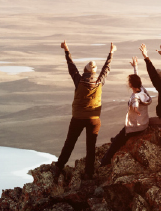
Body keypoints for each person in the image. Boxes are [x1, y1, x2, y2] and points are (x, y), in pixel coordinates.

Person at [52, 40, 114, 181]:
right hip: (94, 120)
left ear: (85, 71)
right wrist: (111, 53)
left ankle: (59, 167)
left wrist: (66, 49)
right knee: (90, 147)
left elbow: (71, 66)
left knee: (70, 143)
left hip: (78, 118)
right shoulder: (99, 82)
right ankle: (89, 173)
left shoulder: (79, 81)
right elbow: (106, 68)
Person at [100, 57, 152, 166]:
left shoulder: (135, 96)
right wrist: (135, 67)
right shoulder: (142, 90)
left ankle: (104, 162)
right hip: (144, 123)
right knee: (120, 134)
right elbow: (138, 81)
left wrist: (136, 109)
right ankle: (120, 137)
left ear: (130, 85)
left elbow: (135, 102)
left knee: (115, 142)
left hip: (136, 127)